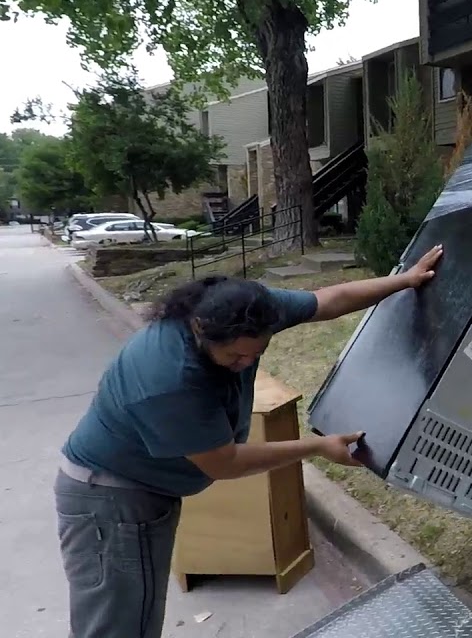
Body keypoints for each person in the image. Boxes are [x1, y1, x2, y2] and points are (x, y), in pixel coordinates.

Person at [54, 244, 445, 638]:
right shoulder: (168, 379)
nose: (245, 364)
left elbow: (329, 300)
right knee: (116, 628)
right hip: (110, 501)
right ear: (201, 330)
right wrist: (317, 447)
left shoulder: (251, 309)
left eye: (255, 352)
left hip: (140, 492)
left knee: (133, 617)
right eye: (234, 356)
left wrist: (406, 280)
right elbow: (226, 463)